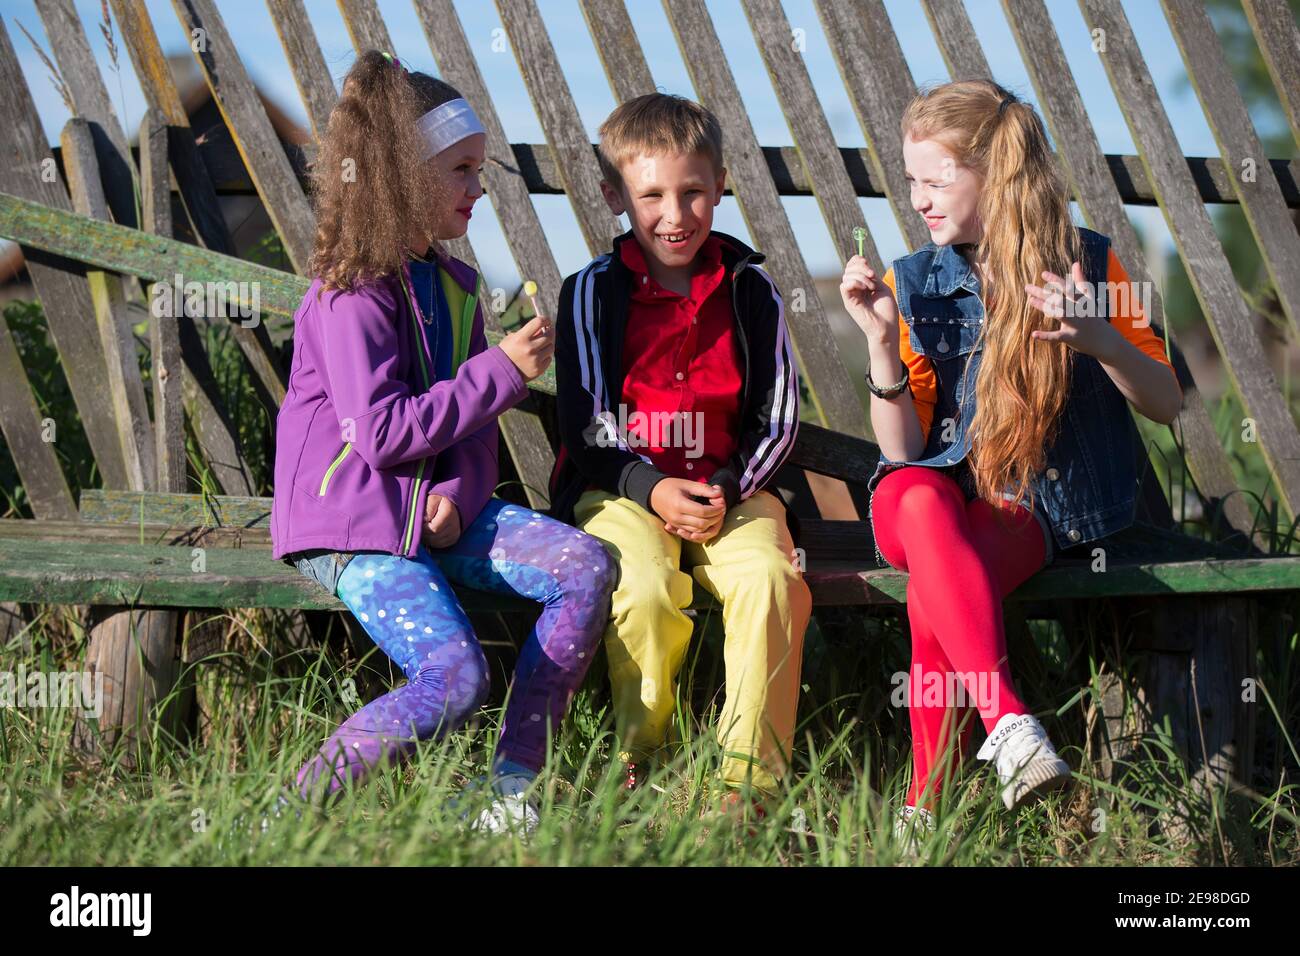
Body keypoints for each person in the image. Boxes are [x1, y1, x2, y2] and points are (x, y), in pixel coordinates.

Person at [269, 51, 615, 833]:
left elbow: (471, 434)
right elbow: (383, 432)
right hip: (354, 525)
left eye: (479, 169)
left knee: (585, 564)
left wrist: (458, 497)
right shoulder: (350, 294)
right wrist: (501, 370)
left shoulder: (454, 288)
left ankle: (509, 789)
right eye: (461, 169)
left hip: (429, 516)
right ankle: (290, 812)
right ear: (401, 176)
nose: (478, 188)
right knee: (455, 677)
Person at [839, 80, 1182, 837]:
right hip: (923, 499)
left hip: (1026, 507)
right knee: (919, 497)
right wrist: (878, 342)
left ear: (994, 175)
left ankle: (929, 804)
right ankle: (1008, 723)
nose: (920, 200)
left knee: (935, 593)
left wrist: (1102, 342)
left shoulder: (1089, 263)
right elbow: (900, 449)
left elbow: (1166, 399)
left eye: (937, 180)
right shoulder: (912, 280)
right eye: (912, 182)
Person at [549, 93, 811, 811]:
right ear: (615, 197)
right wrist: (648, 487)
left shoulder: (751, 290)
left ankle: (746, 784)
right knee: (642, 587)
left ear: (720, 186)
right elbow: (586, 422)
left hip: (733, 490)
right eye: (652, 195)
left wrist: (727, 485)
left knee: (771, 581)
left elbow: (779, 414)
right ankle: (643, 750)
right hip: (620, 491)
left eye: (693, 192)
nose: (676, 214)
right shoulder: (591, 294)